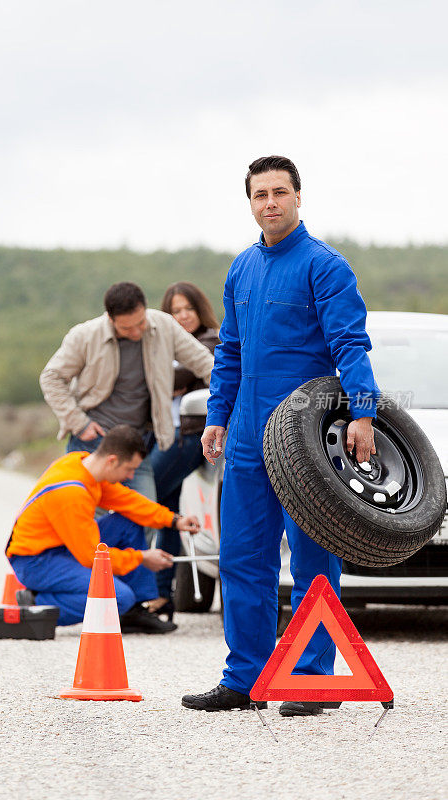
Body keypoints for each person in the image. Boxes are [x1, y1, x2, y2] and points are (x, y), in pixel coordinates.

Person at [182, 156, 378, 715]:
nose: (270, 202)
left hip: (306, 437)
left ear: (298, 197)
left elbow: (350, 343)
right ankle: (245, 678)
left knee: (315, 557)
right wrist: (217, 415)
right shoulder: (241, 268)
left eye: (279, 192)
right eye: (259, 194)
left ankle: (313, 679)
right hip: (246, 434)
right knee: (244, 556)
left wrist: (362, 411)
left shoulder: (325, 265)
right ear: (249, 202)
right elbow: (232, 353)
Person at [6, 425, 201, 634]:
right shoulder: (71, 493)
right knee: (118, 597)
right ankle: (36, 604)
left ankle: (133, 611)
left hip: (61, 547)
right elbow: (91, 557)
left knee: (127, 521)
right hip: (36, 561)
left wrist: (174, 520)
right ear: (112, 461)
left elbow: (129, 502)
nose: (130, 476)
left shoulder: (82, 465)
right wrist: (141, 558)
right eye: (129, 469)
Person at [39, 282, 215, 504]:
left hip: (135, 445)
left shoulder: (163, 325)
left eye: (140, 323)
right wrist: (78, 423)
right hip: (92, 442)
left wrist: (227, 400)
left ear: (145, 308)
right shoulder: (84, 335)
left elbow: (206, 364)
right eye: (126, 328)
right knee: (86, 512)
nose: (135, 332)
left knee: (145, 513)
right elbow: (51, 377)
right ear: (110, 319)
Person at [148, 283, 220, 618]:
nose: (183, 315)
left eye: (188, 308)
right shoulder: (164, 344)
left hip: (190, 438)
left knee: (143, 500)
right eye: (175, 310)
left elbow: (175, 376)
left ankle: (135, 588)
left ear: (200, 310)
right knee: (166, 511)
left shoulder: (210, 340)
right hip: (166, 436)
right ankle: (163, 597)